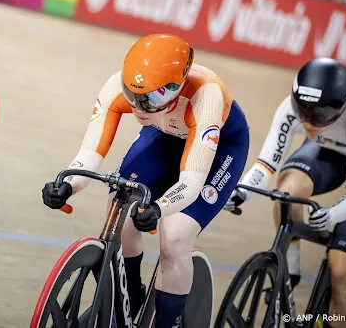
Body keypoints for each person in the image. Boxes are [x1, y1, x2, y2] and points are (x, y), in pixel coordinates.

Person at [42, 33, 250, 327]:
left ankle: (169, 322)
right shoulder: (122, 87)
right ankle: (132, 294)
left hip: (219, 148)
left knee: (175, 237)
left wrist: (160, 208)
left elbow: (191, 182)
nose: (139, 108)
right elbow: (90, 153)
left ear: (176, 88)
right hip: (165, 133)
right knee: (120, 207)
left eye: (151, 99)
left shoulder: (207, 96)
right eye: (133, 96)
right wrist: (68, 184)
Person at [225, 58, 346, 328]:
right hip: (328, 149)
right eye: (303, 111)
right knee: (286, 192)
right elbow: (266, 163)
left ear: (341, 108)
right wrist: (241, 193)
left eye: (319, 116)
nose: (308, 121)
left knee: (342, 270)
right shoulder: (294, 109)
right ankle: (290, 269)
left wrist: (332, 215)